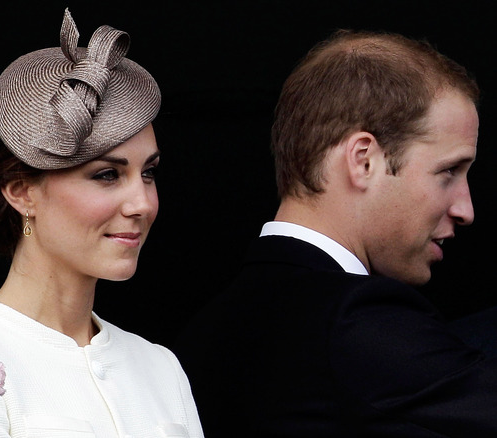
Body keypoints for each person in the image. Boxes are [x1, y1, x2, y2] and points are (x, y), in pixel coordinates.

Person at [175, 29, 497, 436]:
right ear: (364, 160)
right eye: (448, 171)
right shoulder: (355, 323)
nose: (465, 209)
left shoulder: (200, 336)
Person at [0, 9, 203, 438]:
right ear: (21, 191)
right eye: (107, 175)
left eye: (148, 172)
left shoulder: (159, 367)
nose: (142, 203)